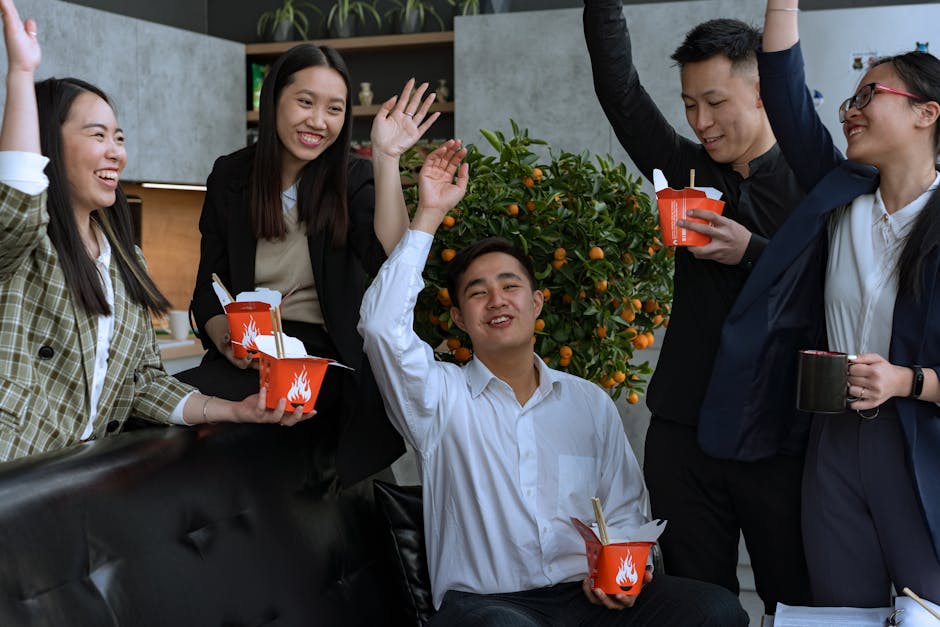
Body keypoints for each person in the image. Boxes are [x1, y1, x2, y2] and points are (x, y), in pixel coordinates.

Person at [358, 140, 749, 626]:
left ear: (537, 303)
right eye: (478, 293)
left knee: (716, 611)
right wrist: (430, 215)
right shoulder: (438, 398)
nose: (497, 300)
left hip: (584, 598)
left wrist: (628, 571)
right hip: (487, 607)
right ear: (459, 318)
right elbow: (380, 327)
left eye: (510, 285)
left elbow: (625, 506)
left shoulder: (586, 403)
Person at [0, 0, 313, 464]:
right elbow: (17, 206)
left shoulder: (126, 259)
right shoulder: (23, 246)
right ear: (48, 142)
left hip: (71, 484)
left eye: (119, 137)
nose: (116, 153)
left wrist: (235, 410)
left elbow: (143, 383)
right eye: (97, 135)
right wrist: (21, 76)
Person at [707, 0, 940, 608]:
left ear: (927, 113)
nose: (851, 111)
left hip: (917, 443)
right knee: (841, 610)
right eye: (848, 101)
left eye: (869, 96)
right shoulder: (841, 194)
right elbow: (785, 91)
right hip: (828, 439)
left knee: (928, 606)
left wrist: (907, 381)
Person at [583, 0, 809, 613]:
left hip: (779, 435)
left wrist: (750, 252)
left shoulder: (812, 180)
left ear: (764, 94)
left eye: (715, 102)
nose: (701, 121)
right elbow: (621, 91)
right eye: (689, 105)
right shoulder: (685, 171)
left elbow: (830, 288)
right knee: (699, 606)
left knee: (794, 600)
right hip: (684, 434)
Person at [177, 44, 438, 486]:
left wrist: (387, 159)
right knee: (165, 408)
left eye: (334, 109)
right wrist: (226, 340)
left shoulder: (352, 179)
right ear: (274, 98)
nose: (319, 121)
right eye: (305, 102)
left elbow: (394, 260)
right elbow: (209, 286)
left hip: (326, 358)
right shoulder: (230, 176)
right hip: (247, 353)